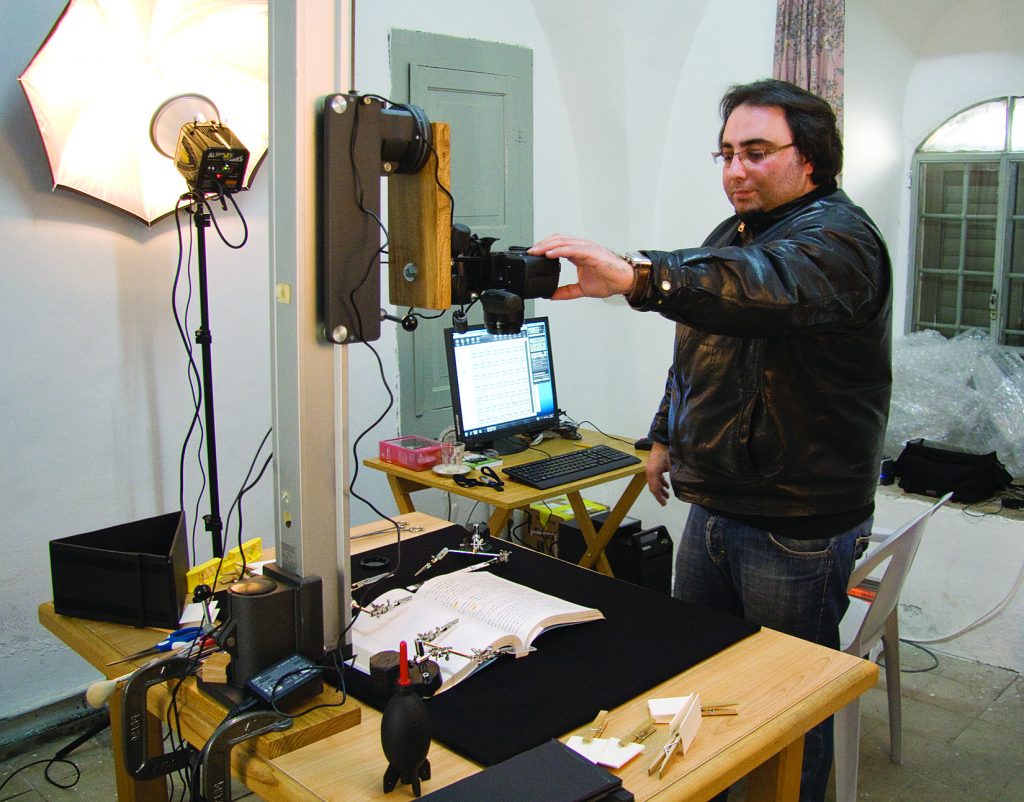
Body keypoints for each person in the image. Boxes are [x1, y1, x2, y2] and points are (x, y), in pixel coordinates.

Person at [530, 78, 892, 802]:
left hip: (795, 523)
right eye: (726, 153)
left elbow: (763, 288)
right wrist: (666, 433)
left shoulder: (839, 243)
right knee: (700, 680)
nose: (735, 170)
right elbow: (699, 341)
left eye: (756, 152)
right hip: (717, 502)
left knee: (789, 707)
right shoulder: (734, 238)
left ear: (812, 157)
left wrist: (638, 275)